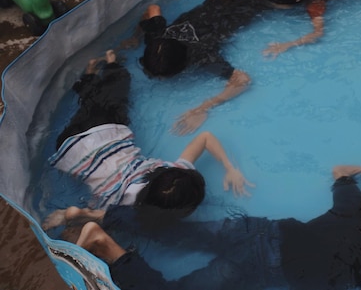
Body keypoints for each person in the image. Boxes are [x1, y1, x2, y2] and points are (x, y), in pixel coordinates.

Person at [51, 159, 361, 290]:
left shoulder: (355, 203)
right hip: (259, 266)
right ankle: (104, 244)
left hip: (263, 229)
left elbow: (339, 170)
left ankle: (91, 215)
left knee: (179, 233)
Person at [129, 0, 306, 135]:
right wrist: (136, 35)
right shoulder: (158, 38)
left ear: (184, 63)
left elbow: (242, 81)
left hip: (240, 11)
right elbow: (153, 9)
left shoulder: (202, 56)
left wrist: (203, 108)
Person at [45, 50, 253, 228]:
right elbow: (100, 216)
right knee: (90, 108)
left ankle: (106, 67)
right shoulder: (128, 210)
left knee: (112, 94)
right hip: (68, 148)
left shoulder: (168, 169)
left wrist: (229, 167)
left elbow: (205, 138)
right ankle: (102, 69)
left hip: (105, 133)